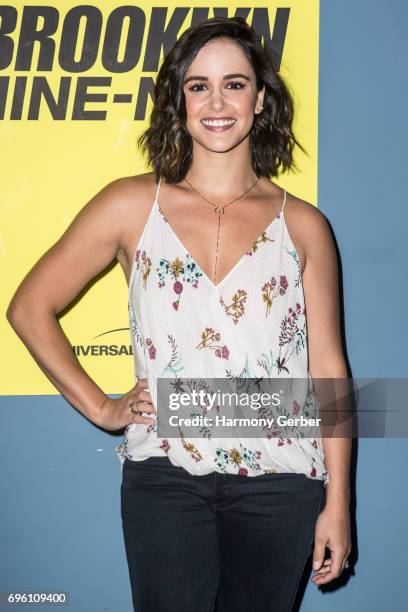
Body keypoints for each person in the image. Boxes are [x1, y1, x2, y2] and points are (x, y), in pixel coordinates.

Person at [7, 16, 352, 612]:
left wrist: (339, 503)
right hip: (165, 479)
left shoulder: (305, 227)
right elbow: (28, 307)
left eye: (235, 84)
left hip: (281, 483)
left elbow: (329, 371)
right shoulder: (129, 204)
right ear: (179, 100)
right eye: (199, 85)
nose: (217, 102)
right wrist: (103, 407)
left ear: (260, 97)